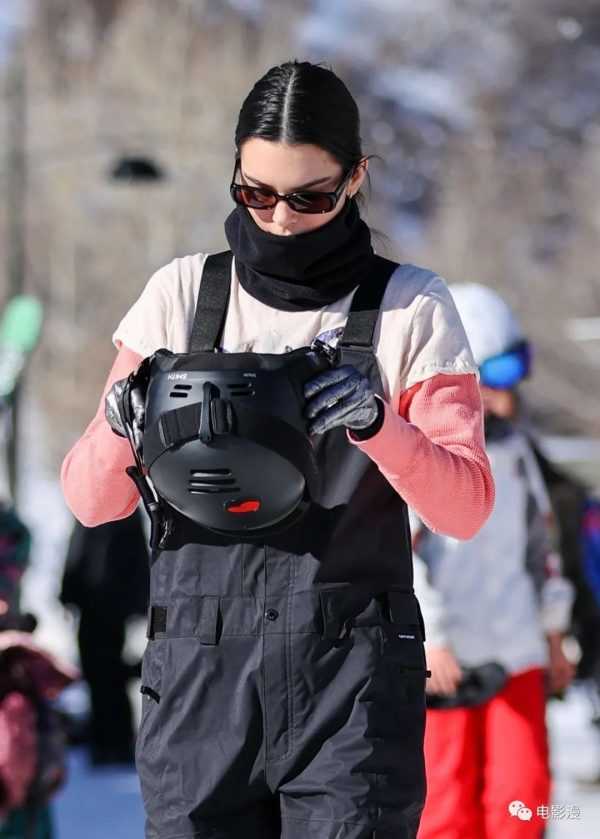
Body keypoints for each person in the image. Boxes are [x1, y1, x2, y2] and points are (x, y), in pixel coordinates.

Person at [61, 61, 494, 839]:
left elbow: (464, 507)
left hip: (350, 677)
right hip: (197, 671)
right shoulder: (181, 295)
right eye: (255, 192)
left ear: (356, 176)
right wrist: (122, 423)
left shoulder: (410, 306)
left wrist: (377, 423)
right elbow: (92, 500)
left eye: (310, 195)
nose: (281, 217)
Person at [414, 284, 575, 839]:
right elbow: (402, 561)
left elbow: (543, 551)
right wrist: (431, 639)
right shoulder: (425, 458)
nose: (510, 395)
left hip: (516, 650)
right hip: (448, 662)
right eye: (498, 378)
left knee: (522, 796)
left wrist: (554, 633)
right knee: (447, 798)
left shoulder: (520, 453)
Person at [59, 509, 149, 765]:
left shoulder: (125, 513)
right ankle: (104, 740)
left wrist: (139, 604)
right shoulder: (88, 510)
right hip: (92, 606)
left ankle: (117, 742)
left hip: (114, 609)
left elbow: (137, 558)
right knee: (97, 674)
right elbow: (76, 554)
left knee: (113, 675)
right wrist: (68, 593)